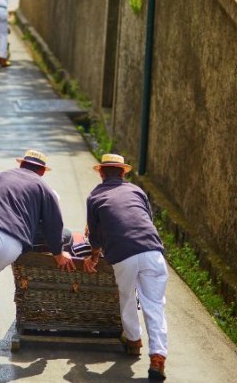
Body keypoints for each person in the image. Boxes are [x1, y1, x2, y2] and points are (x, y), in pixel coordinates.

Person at [0, 150, 76, 382]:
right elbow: (56, 225)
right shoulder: (44, 189)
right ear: (42, 171)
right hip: (14, 244)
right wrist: (57, 253)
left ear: (21, 164)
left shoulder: (1, 176)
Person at [83, 153, 169, 381]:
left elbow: (94, 236)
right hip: (152, 251)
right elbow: (146, 219)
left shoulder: (94, 197)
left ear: (101, 172)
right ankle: (158, 358)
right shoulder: (137, 191)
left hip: (123, 255)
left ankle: (133, 341)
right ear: (122, 172)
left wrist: (93, 257)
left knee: (128, 297)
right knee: (155, 306)